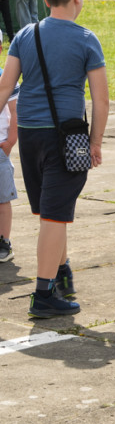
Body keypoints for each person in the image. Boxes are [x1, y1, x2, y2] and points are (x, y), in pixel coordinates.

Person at [0, 0, 108, 318]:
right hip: (67, 137)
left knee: (50, 214)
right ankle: (44, 295)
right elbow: (101, 99)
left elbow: (5, 87)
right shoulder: (86, 39)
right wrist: (95, 142)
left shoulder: (24, 36)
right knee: (54, 218)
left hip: (30, 135)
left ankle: (61, 275)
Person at [0, 41, 17, 263]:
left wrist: (11, 141)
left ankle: (3, 241)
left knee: (3, 199)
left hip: (0, 148)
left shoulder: (6, 78)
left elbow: (15, 110)